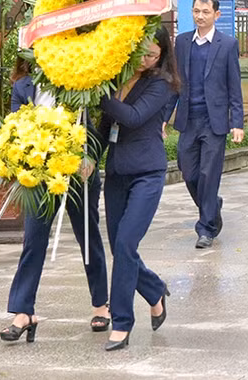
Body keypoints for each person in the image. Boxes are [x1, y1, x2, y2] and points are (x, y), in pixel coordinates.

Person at [0, 58, 109, 344]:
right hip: (40, 174)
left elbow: (101, 121)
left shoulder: (76, 77)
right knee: (33, 240)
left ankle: (101, 304)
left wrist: (92, 157)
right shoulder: (22, 86)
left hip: (77, 170)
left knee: (88, 236)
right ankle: (23, 312)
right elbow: (15, 127)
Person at [99, 26, 179, 351]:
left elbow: (132, 117)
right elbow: (105, 127)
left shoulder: (161, 83)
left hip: (147, 173)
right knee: (121, 249)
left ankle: (121, 322)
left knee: (127, 241)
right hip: (117, 172)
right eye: (142, 53)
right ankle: (154, 289)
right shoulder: (117, 76)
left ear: (162, 55)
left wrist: (98, 94)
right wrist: (89, 154)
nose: (146, 60)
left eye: (153, 55)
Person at [167, 0, 244, 249]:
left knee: (209, 174)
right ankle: (212, 205)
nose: (200, 16)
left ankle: (206, 228)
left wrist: (237, 123)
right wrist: (164, 118)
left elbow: (235, 86)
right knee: (188, 171)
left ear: (216, 15)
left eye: (205, 12)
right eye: (196, 11)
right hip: (189, 118)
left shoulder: (227, 44)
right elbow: (174, 83)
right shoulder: (182, 42)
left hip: (215, 121)